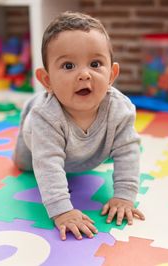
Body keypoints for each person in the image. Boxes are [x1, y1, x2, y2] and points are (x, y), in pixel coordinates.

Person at [13, 11, 144, 241]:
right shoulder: (45, 118)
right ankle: (31, 105)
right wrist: (62, 211)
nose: (84, 74)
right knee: (25, 165)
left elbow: (128, 152)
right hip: (37, 139)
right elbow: (48, 165)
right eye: (68, 66)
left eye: (95, 64)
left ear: (112, 74)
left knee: (117, 148)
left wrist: (124, 196)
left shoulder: (120, 109)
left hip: (87, 152)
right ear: (47, 80)